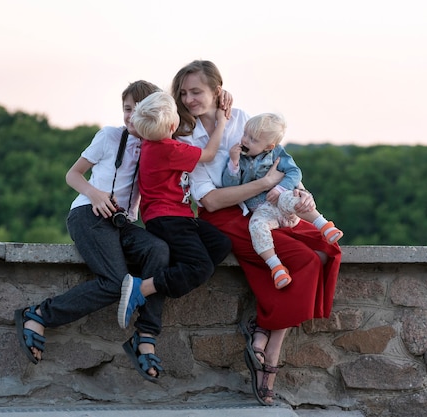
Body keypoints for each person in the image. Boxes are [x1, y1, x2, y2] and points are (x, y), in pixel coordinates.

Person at [14, 80, 232, 382]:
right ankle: (38, 314)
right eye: (127, 109)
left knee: (159, 250)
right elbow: (72, 174)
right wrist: (95, 194)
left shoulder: (155, 144)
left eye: (137, 110)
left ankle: (145, 335)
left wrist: (218, 106)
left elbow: (185, 128)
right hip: (89, 215)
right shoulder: (109, 137)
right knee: (115, 282)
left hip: (123, 223)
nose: (130, 116)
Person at [171, 60, 342, 406]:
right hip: (224, 219)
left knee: (325, 247)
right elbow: (212, 201)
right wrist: (265, 185)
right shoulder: (185, 136)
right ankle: (269, 350)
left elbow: (275, 161)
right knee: (305, 261)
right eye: (184, 93)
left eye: (197, 91)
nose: (189, 99)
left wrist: (300, 194)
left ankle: (263, 334)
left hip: (261, 209)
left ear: (217, 91)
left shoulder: (242, 119)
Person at [116, 91, 232, 330]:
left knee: (220, 244)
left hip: (177, 218)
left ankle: (176, 273)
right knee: (200, 268)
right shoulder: (169, 148)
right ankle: (143, 287)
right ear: (172, 125)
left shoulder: (149, 142)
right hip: (168, 219)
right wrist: (221, 121)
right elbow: (209, 155)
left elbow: (142, 125)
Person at [222, 112, 343, 290]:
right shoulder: (240, 157)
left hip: (283, 205)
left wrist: (280, 188)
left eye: (253, 140)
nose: (246, 141)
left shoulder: (277, 153)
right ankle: (276, 267)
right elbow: (229, 186)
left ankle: (324, 225)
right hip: (263, 211)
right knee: (255, 226)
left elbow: (295, 173)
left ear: (269, 146)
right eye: (245, 134)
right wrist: (233, 163)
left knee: (290, 197)